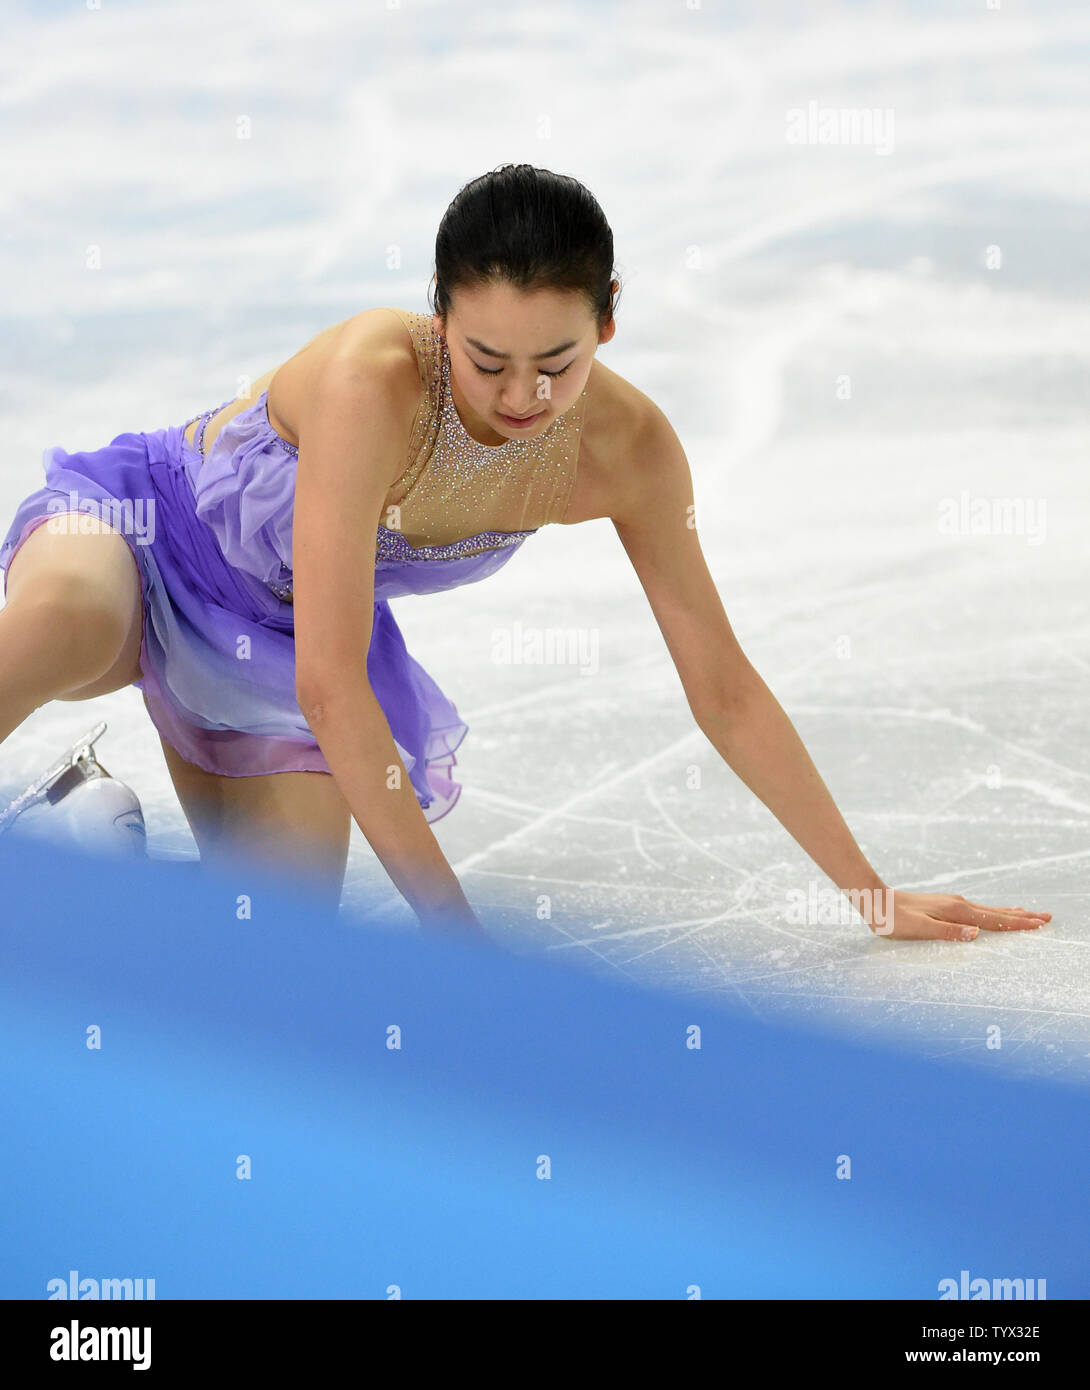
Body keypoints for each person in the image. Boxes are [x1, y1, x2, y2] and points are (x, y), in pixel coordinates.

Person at [0, 163, 1051, 944]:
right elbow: (335, 681)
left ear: (608, 320)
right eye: (485, 359)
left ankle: (79, 838)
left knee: (273, 948)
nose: (519, 398)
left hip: (274, 647)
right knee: (63, 623)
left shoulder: (629, 454)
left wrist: (867, 891)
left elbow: (721, 685)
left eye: (556, 362)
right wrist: (455, 931)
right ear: (438, 318)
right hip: (143, 535)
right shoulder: (376, 380)